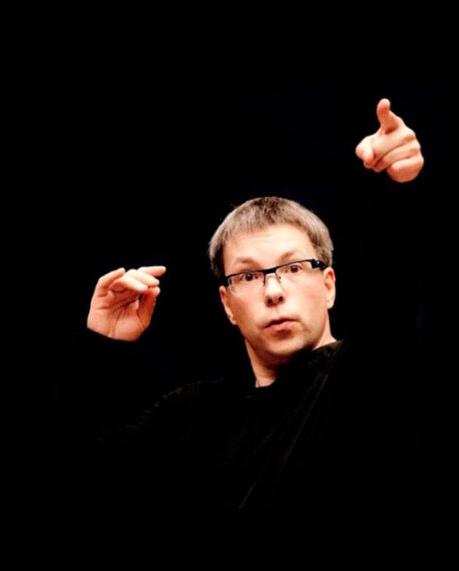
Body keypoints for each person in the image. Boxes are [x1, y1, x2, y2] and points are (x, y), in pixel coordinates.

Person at [81, 98, 426, 512]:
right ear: (227, 304)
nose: (273, 291)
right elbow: (85, 478)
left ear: (329, 285)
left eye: (293, 268)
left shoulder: (365, 377)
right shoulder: (194, 414)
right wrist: (102, 348)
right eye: (248, 276)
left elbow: (390, 303)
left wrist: (396, 186)